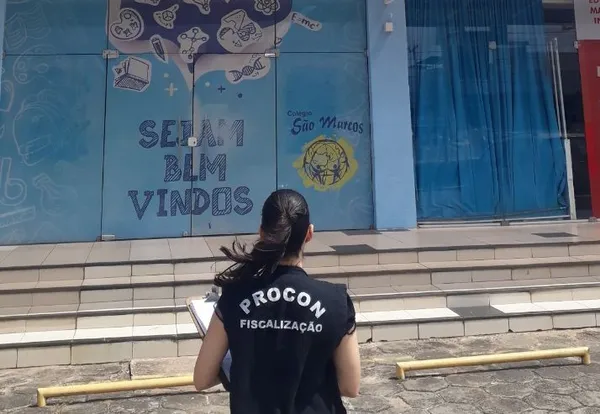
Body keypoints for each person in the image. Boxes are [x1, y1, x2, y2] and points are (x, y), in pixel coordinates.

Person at [193, 189, 360, 413]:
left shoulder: (234, 296)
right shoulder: (335, 301)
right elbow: (350, 386)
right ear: (309, 234)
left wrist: (244, 371)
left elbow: (202, 379)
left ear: (262, 233)